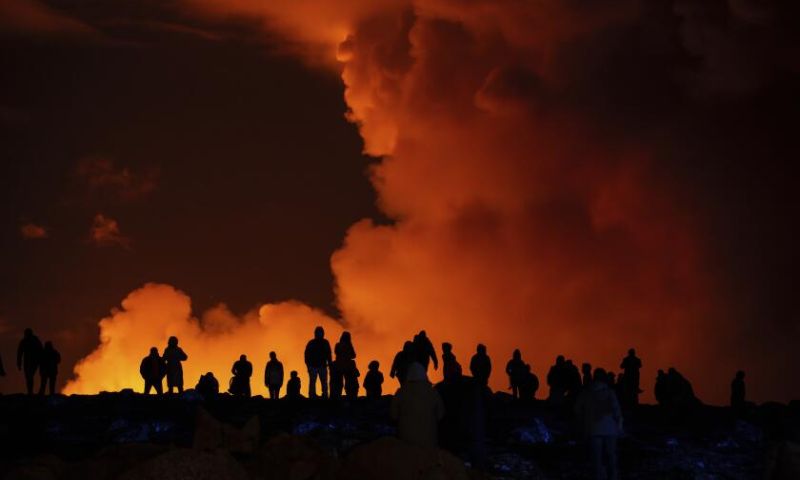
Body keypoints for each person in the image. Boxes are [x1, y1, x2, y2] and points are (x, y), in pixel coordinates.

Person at [575, 368, 623, 480]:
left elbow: (577, 409)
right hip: (610, 429)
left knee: (596, 459)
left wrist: (583, 421)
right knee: (611, 457)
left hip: (593, 429)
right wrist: (619, 427)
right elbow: (617, 411)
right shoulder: (610, 392)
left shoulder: (586, 393)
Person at [390, 362, 444, 449]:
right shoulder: (433, 392)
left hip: (406, 443)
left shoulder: (401, 392)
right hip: (429, 443)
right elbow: (440, 415)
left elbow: (393, 415)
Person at [304, 326, 332, 398]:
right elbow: (307, 355)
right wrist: (309, 366)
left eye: (320, 332)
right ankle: (312, 395)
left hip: (322, 366)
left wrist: (330, 364)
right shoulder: (311, 343)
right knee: (313, 382)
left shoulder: (325, 342)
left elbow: (329, 354)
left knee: (324, 382)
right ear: (316, 333)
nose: (319, 334)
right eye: (318, 332)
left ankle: (325, 395)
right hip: (313, 366)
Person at [332, 331, 359, 399]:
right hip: (347, 366)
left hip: (339, 366)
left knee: (338, 382)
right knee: (349, 381)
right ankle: (350, 394)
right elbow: (354, 355)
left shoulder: (338, 345)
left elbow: (336, 352)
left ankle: (337, 394)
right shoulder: (349, 346)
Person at [17, 328, 43, 395]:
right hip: (31, 362)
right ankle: (30, 391)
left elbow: (19, 353)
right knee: (29, 376)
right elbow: (20, 353)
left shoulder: (26, 341)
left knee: (29, 376)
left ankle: (30, 392)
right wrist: (19, 363)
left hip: (32, 362)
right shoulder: (34, 340)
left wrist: (19, 364)